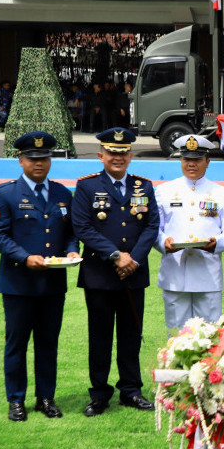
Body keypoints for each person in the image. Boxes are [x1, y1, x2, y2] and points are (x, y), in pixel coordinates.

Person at [0, 131, 80, 421]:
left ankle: (45, 398)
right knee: (16, 344)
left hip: (52, 284)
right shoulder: (6, 194)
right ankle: (16, 400)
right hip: (18, 283)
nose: (39, 163)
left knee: (48, 343)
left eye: (44, 158)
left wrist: (73, 251)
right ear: (21, 160)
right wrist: (24, 257)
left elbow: (70, 233)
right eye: (32, 158)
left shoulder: (63, 194)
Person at [71, 128, 160, 417]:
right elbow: (82, 227)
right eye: (112, 153)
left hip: (134, 272)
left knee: (131, 335)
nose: (117, 158)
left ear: (130, 156)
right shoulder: (86, 187)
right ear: (101, 156)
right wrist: (115, 256)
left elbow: (151, 226)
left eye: (123, 153)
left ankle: (131, 390)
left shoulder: (144, 187)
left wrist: (133, 258)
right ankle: (99, 394)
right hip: (99, 273)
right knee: (99, 336)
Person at [154, 134, 224, 328]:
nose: (191, 164)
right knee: (176, 338)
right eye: (186, 159)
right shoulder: (164, 191)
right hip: (174, 274)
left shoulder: (221, 193)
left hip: (207, 274)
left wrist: (218, 243)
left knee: (209, 335)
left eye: (197, 160)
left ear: (207, 162)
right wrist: (163, 243)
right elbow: (154, 229)